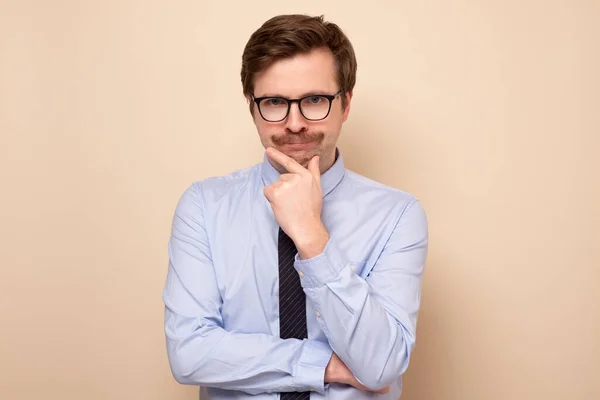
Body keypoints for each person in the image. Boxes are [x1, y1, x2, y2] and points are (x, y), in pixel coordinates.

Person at [163, 14, 429, 400]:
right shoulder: (204, 206)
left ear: (346, 103)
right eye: (274, 102)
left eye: (315, 100)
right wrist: (323, 366)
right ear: (252, 107)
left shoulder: (397, 215)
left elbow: (381, 364)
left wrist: (311, 236)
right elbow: (188, 354)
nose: (295, 123)